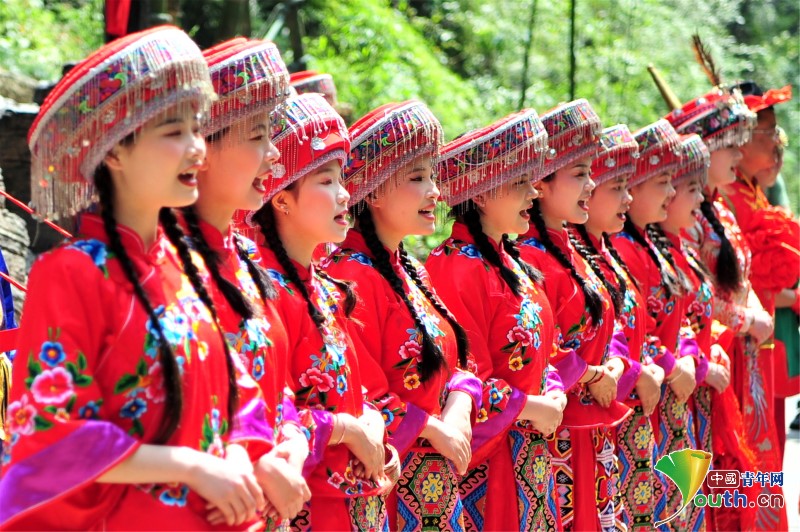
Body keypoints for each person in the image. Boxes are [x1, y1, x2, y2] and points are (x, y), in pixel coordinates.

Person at [0, 26, 274, 529]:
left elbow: (240, 390)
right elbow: (50, 430)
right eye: (174, 131)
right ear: (113, 151)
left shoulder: (187, 265)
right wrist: (191, 466)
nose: (198, 149)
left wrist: (235, 458)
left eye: (198, 127)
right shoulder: (69, 273)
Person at [325, 100, 481, 530]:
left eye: (432, 176)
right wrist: (432, 428)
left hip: (437, 476)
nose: (435, 190)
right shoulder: (349, 275)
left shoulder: (407, 268)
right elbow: (362, 394)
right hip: (393, 478)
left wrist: (459, 405)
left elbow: (458, 357)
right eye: (418, 178)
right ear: (373, 191)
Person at [242, 93, 393, 530]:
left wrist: (373, 428)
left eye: (342, 180)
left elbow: (361, 389)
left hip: (357, 503)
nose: (345, 195)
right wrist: (347, 429)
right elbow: (267, 417)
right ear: (281, 199)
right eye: (326, 182)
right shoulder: (265, 291)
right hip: (309, 508)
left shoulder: (326, 290)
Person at [180, 38, 312, 524]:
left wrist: (292, 445)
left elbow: (277, 387)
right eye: (258, 136)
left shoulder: (243, 258)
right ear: (203, 146)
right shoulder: (167, 266)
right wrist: (255, 457)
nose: (275, 156)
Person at [426, 109, 567, 530]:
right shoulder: (456, 267)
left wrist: (554, 391)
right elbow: (462, 376)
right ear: (483, 194)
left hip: (532, 451)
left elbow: (546, 346)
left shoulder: (510, 261)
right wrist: (532, 406)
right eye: (521, 183)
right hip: (492, 463)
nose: (535, 194)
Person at [667, 87, 788, 530]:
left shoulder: (720, 208)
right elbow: (689, 293)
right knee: (721, 465)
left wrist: (754, 313)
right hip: (717, 356)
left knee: (757, 459)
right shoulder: (686, 214)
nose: (739, 155)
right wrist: (745, 319)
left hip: (745, 358)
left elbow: (742, 281)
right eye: (731, 145)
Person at [516, 99, 632, 531]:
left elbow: (612, 320)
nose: (591, 185)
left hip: (592, 428)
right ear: (541, 185)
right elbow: (538, 349)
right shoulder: (528, 255)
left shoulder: (572, 251)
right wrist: (591, 375)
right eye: (580, 174)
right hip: (558, 432)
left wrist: (615, 364)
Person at [570, 124, 665, 531]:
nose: (626, 197)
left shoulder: (602, 253)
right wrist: (626, 369)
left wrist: (652, 362)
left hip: (616, 412)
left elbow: (623, 330)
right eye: (619, 186)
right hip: (572, 429)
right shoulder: (554, 257)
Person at [724, 82, 798, 453]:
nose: (775, 142)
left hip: (761, 335)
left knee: (769, 446)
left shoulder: (750, 190)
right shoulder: (727, 196)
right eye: (768, 132)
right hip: (738, 341)